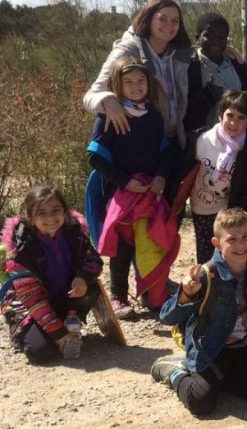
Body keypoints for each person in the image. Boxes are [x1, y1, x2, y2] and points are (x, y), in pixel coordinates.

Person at [152, 208, 247, 416]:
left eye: (246, 237)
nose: (240, 245)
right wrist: (186, 295)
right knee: (201, 402)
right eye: (232, 239)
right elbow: (166, 316)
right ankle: (173, 370)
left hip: (243, 346)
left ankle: (218, 380)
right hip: (210, 349)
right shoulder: (206, 275)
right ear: (217, 243)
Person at [87, 58, 176, 318]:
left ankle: (150, 293)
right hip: (120, 191)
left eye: (140, 81)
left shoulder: (153, 115)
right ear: (118, 85)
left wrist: (161, 176)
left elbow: (165, 152)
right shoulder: (109, 116)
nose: (136, 86)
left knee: (148, 241)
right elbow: (95, 157)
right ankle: (118, 296)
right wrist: (125, 181)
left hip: (149, 192)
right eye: (128, 82)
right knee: (123, 245)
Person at [0, 185, 102, 363]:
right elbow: (33, 299)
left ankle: (61, 324)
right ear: (30, 217)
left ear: (65, 211)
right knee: (41, 352)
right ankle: (24, 331)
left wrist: (83, 278)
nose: (51, 218)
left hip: (60, 296)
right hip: (27, 305)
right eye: (41, 213)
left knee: (91, 288)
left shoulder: (74, 233)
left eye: (56, 210)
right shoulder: (20, 250)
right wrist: (60, 335)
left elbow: (93, 259)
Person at [83, 0, 193, 150]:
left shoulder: (180, 54)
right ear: (148, 19)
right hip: (139, 146)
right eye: (162, 19)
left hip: (173, 143)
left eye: (175, 21)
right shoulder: (127, 51)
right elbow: (91, 96)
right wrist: (109, 102)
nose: (169, 25)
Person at [178, 90, 247, 264]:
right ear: (220, 115)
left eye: (241, 118)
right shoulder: (202, 140)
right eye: (230, 115)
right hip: (202, 208)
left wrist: (239, 215)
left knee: (232, 256)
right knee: (206, 258)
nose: (234, 123)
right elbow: (185, 171)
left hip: (229, 211)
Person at [184, 12, 247, 151]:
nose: (215, 42)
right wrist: (207, 95)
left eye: (221, 37)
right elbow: (185, 113)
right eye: (209, 36)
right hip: (203, 150)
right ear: (197, 37)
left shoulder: (240, 68)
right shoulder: (189, 69)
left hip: (239, 151)